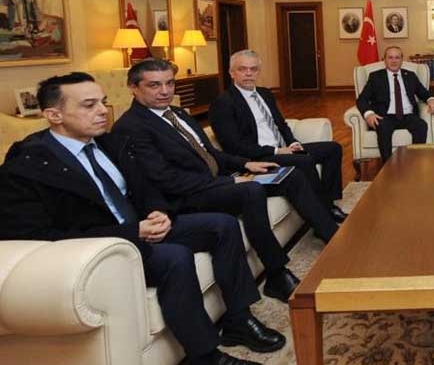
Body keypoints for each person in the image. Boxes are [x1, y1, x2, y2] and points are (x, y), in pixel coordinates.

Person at [0, 73, 283, 365]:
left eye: (103, 102)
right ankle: (204, 364)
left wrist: (157, 211)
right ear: (54, 115)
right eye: (89, 105)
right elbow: (35, 236)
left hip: (140, 228)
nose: (103, 111)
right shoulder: (26, 167)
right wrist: (131, 232)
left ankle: (238, 319)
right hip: (103, 247)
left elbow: (144, 187)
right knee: (175, 257)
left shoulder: (108, 143)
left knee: (222, 225)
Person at [112, 59, 339, 303]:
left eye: (170, 83)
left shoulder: (177, 113)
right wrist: (230, 183)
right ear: (133, 88)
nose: (165, 91)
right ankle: (276, 274)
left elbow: (209, 153)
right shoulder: (131, 126)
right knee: (250, 192)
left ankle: (331, 234)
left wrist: (246, 164)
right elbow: (165, 179)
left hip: (217, 180)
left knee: (290, 175)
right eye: (154, 85)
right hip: (188, 196)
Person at [210, 50, 347, 224]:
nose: (248, 73)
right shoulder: (223, 103)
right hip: (260, 156)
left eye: (253, 69)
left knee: (333, 148)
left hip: (283, 148)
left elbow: (281, 125)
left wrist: (293, 142)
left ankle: (329, 201)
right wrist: (277, 150)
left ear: (258, 72)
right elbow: (234, 146)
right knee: (304, 160)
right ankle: (324, 211)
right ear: (231, 73)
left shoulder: (265, 94)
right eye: (242, 69)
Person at [356, 46, 434, 162]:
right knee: (383, 127)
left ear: (401, 60)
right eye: (390, 57)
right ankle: (388, 165)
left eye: (397, 57)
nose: (394, 61)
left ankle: (416, 162)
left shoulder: (410, 76)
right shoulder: (376, 77)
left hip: (408, 115)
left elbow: (424, 93)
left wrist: (431, 99)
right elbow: (362, 99)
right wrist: (369, 114)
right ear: (384, 60)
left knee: (421, 125)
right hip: (385, 116)